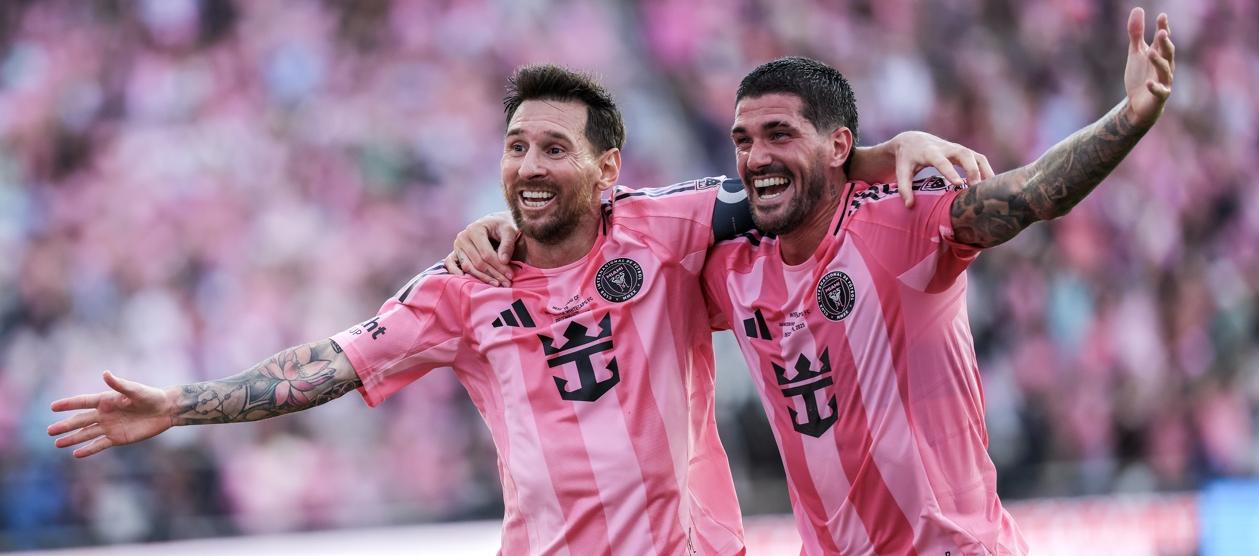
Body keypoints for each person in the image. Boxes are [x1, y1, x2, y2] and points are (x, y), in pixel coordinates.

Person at [47, 64, 989, 554]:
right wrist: (181, 405)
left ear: (605, 168)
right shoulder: (461, 288)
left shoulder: (669, 227)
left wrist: (879, 152)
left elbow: (787, 181)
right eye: (515, 147)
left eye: (552, 148)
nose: (528, 166)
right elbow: (327, 366)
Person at [450, 8, 1175, 554]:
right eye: (743, 140)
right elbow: (608, 259)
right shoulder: (730, 267)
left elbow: (1032, 194)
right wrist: (515, 227)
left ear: (838, 146)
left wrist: (1130, 117)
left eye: (779, 135)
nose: (756, 157)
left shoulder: (901, 221)